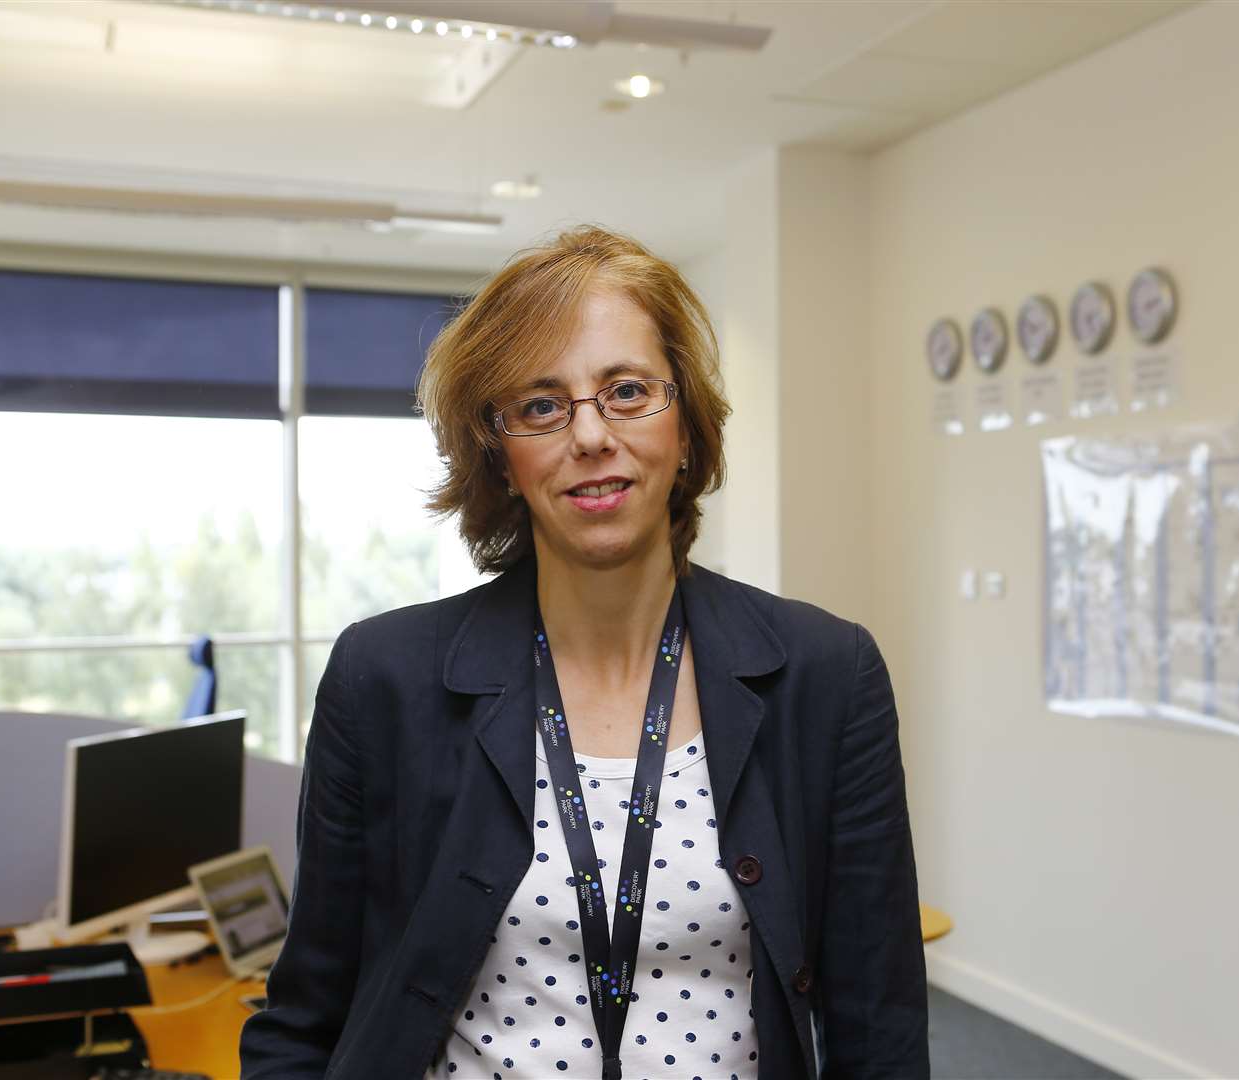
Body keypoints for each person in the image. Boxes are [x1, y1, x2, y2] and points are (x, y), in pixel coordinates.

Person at [239, 225, 928, 1079]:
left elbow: (881, 1031)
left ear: (686, 428)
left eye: (629, 390)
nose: (591, 436)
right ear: (500, 456)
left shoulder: (828, 674)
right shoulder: (383, 677)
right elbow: (304, 1018)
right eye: (541, 405)